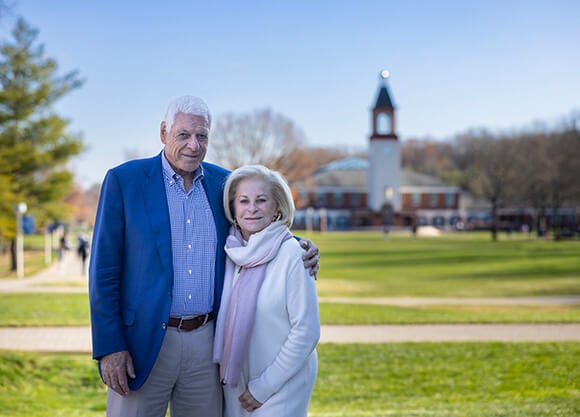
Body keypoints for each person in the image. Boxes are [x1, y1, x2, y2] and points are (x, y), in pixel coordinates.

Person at [88, 95, 319, 417]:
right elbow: (104, 271)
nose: (193, 145)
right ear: (163, 132)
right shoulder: (124, 181)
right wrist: (111, 346)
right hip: (142, 344)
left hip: (207, 343)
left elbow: (252, 224)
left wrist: (295, 243)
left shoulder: (222, 183)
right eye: (183, 134)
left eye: (202, 136)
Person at [214, 165, 320, 417]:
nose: (252, 208)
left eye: (261, 200)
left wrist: (263, 387)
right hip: (236, 386)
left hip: (282, 385)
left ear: (277, 208)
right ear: (233, 208)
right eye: (243, 201)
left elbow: (306, 331)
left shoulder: (294, 254)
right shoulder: (232, 254)